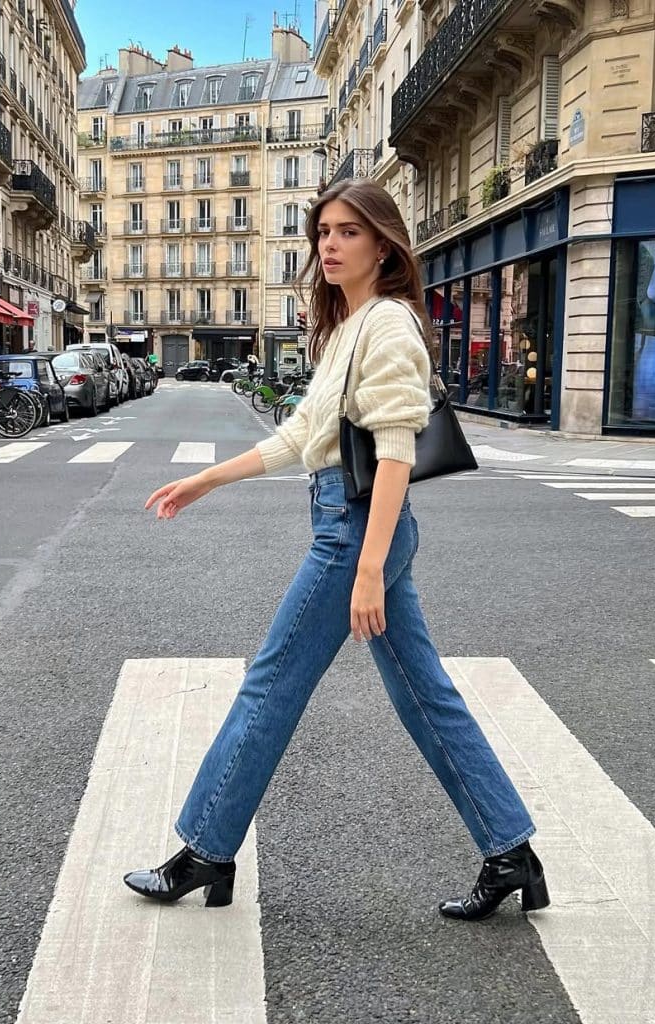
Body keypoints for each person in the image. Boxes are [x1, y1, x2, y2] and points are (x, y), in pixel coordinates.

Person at [125, 179, 547, 923]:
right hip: (353, 522)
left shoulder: (386, 325)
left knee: (272, 681)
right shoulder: (348, 327)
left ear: (384, 245)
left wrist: (370, 568)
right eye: (323, 230)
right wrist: (206, 480)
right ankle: (509, 849)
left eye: (349, 231)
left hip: (356, 530)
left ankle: (206, 848)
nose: (329, 243)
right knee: (425, 694)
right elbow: (300, 440)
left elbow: (393, 455)